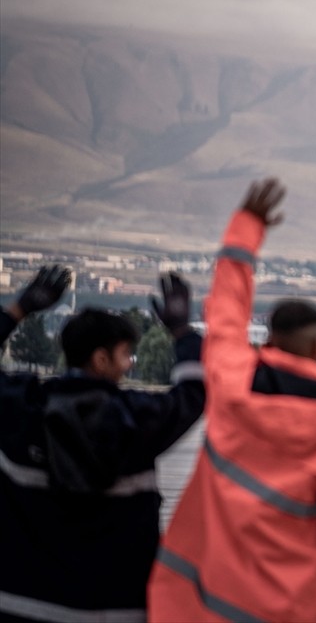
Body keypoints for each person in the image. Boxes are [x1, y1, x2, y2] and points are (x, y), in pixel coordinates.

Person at [148, 178, 316, 623]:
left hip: (198, 605)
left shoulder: (233, 383)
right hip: (291, 607)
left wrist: (245, 227)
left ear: (269, 339)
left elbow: (226, 313)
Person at [0, 266, 205, 622]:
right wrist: (181, 332)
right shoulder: (140, 419)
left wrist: (19, 310)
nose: (129, 364)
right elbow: (195, 391)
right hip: (116, 610)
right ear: (101, 359)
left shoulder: (22, 409)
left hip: (22, 605)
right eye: (126, 354)